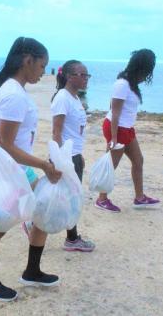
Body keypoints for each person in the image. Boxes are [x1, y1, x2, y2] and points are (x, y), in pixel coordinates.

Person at [0, 37, 62, 302]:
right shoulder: (14, 94)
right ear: (28, 60)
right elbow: (5, 146)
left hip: (19, 170)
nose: (43, 71)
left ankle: (32, 270)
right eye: (42, 65)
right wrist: (43, 164)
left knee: (42, 213)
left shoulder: (13, 89)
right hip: (9, 172)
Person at [95, 49, 160, 212]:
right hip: (116, 128)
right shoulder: (122, 84)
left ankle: (140, 197)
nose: (146, 76)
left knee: (138, 161)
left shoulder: (131, 84)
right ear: (140, 67)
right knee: (111, 164)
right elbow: (114, 111)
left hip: (127, 128)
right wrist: (114, 138)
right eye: (146, 70)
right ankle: (101, 199)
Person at [50, 60, 96, 252]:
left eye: (87, 75)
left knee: (70, 198)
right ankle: (70, 238)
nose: (86, 78)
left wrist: (79, 155)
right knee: (66, 198)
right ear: (70, 76)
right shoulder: (62, 97)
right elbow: (56, 132)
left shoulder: (75, 98)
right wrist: (61, 160)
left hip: (74, 155)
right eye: (82, 75)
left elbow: (75, 131)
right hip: (66, 157)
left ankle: (71, 237)